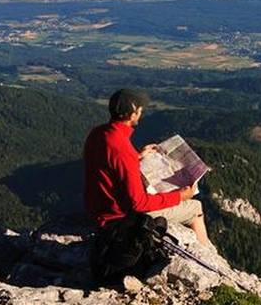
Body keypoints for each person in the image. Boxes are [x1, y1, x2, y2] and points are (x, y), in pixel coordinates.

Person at [83, 88, 212, 246]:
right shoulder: (121, 148)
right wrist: (180, 197)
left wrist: (138, 157)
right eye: (140, 110)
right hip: (118, 217)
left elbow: (109, 164)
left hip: (99, 208)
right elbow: (138, 203)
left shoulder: (98, 133)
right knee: (195, 207)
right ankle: (206, 253)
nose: (141, 112)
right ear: (133, 114)